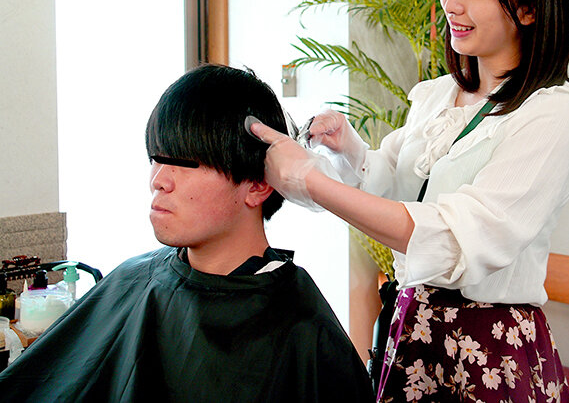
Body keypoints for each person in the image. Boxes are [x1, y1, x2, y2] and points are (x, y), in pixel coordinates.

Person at [249, 0, 569, 402]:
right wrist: (349, 149)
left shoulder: (555, 114)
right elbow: (397, 190)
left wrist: (311, 182)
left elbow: (454, 240)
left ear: (530, 9)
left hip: (488, 348)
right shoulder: (438, 95)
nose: (451, 2)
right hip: (412, 328)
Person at [0, 64, 373, 402]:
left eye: (185, 163)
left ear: (258, 184)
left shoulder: (305, 331)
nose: (159, 180)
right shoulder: (133, 279)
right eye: (157, 158)